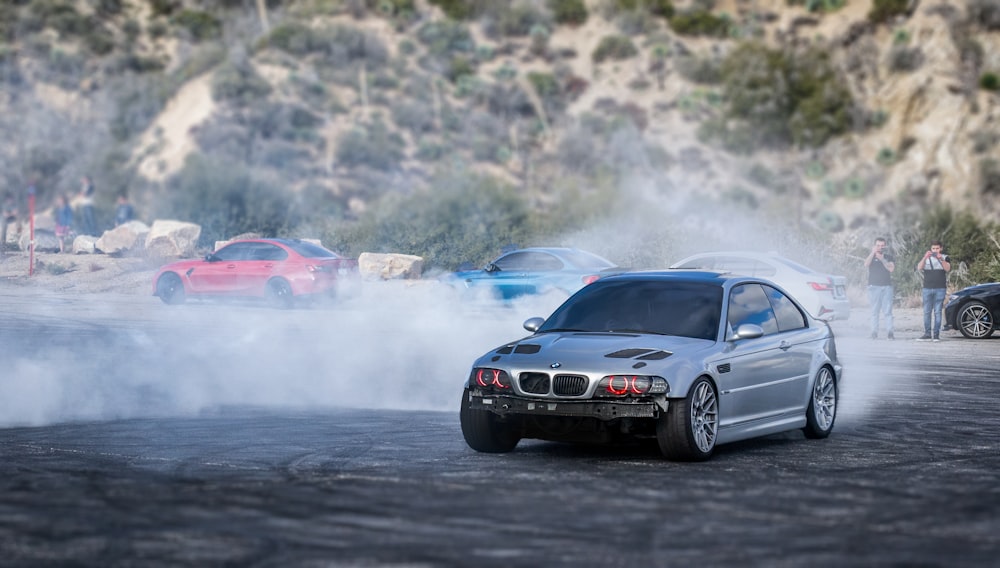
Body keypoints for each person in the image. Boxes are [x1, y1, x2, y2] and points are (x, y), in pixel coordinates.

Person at [917, 239, 951, 342]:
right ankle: (927, 334)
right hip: (927, 288)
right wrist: (924, 257)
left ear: (941, 248)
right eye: (933, 248)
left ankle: (936, 335)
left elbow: (947, 269)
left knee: (937, 312)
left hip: (940, 288)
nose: (935, 250)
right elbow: (919, 267)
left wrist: (941, 259)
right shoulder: (927, 258)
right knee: (927, 312)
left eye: (937, 248)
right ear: (930, 249)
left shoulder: (945, 257)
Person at [864, 236, 895, 340]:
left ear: (885, 246)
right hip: (873, 287)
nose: (880, 248)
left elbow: (891, 269)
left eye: (882, 246)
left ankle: (890, 333)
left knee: (888, 312)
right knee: (874, 311)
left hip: (886, 287)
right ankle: (874, 333)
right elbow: (866, 264)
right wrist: (873, 253)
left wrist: (882, 259)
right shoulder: (871, 256)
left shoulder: (889, 257)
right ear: (874, 246)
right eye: (878, 245)